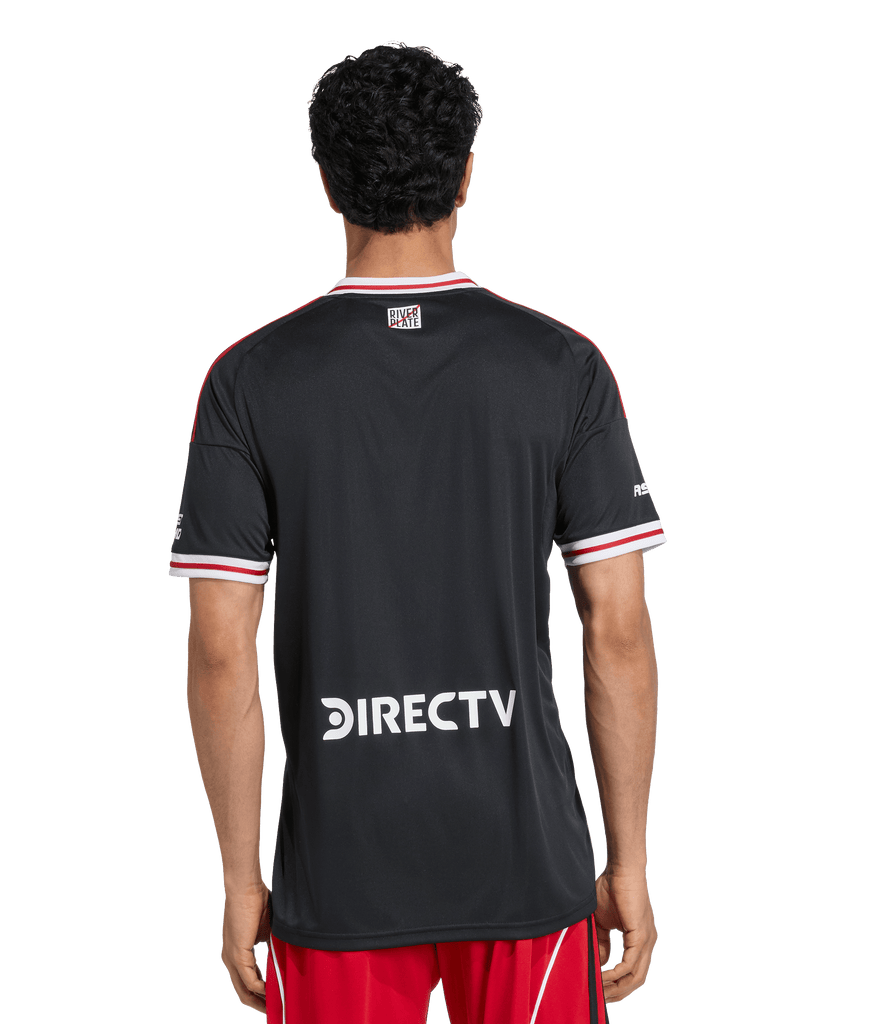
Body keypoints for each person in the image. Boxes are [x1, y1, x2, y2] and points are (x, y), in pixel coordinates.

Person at [167, 40, 666, 1024]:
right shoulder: (561, 366)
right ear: (466, 173)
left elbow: (221, 648)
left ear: (325, 181)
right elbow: (616, 628)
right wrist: (629, 861)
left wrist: (238, 878)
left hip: (338, 873)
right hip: (525, 863)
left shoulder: (249, 381)